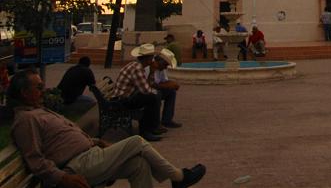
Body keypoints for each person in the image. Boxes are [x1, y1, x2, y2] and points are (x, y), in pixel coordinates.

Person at [9, 69, 206, 188]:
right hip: (78, 165)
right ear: (24, 93)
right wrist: (62, 179)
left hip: (91, 155)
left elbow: (62, 140)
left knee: (139, 165)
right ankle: (179, 177)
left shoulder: (38, 111)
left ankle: (178, 179)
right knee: (136, 142)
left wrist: (95, 141)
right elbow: (35, 160)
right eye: (38, 87)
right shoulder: (26, 120)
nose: (44, 91)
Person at [113, 43, 164, 141]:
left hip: (124, 97)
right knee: (151, 97)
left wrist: (152, 71)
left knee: (154, 95)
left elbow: (148, 85)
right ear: (148, 59)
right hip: (122, 100)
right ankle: (146, 131)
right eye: (152, 58)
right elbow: (146, 90)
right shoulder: (137, 68)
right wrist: (155, 93)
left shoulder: (136, 65)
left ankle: (153, 127)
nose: (153, 60)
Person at [148, 48, 182, 129]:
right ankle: (154, 123)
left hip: (154, 90)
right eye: (165, 65)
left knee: (171, 92)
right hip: (147, 91)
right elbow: (150, 84)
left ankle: (167, 120)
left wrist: (172, 84)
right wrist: (167, 85)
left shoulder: (161, 68)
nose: (165, 67)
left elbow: (163, 81)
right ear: (160, 62)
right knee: (157, 95)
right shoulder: (149, 67)